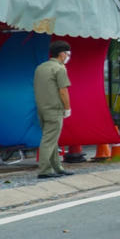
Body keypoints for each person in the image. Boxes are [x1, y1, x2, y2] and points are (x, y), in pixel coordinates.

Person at [33, 39, 73, 178]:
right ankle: (44, 170)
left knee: (52, 139)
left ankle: (57, 167)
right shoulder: (60, 68)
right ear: (62, 54)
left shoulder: (40, 67)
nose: (68, 56)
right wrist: (67, 108)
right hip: (54, 109)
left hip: (41, 108)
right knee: (49, 140)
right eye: (68, 54)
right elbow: (63, 91)